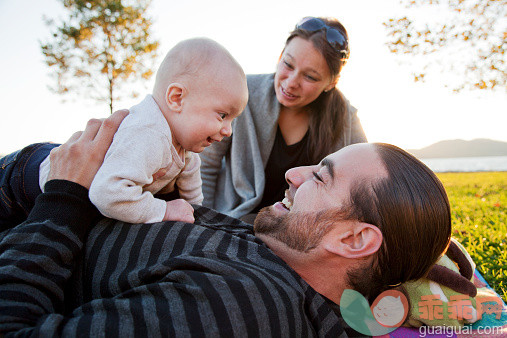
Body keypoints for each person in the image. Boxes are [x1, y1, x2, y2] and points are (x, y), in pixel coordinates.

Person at [0, 112, 452, 336]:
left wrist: (64, 195)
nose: (293, 175)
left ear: (354, 239)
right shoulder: (284, 253)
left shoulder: (243, 306)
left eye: (319, 176)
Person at [0, 37, 248, 229]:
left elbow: (192, 202)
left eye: (233, 120)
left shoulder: (187, 152)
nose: (228, 131)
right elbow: (107, 194)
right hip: (24, 179)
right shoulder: (149, 133)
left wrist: (193, 215)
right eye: (223, 115)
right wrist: (163, 211)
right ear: (176, 98)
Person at [200, 17, 367, 222]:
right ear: (280, 56)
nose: (291, 82)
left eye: (310, 77)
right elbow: (205, 166)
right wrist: (204, 221)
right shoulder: (243, 92)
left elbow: (365, 181)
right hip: (233, 221)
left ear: (331, 83)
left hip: (299, 233)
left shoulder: (346, 119)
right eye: (288, 64)